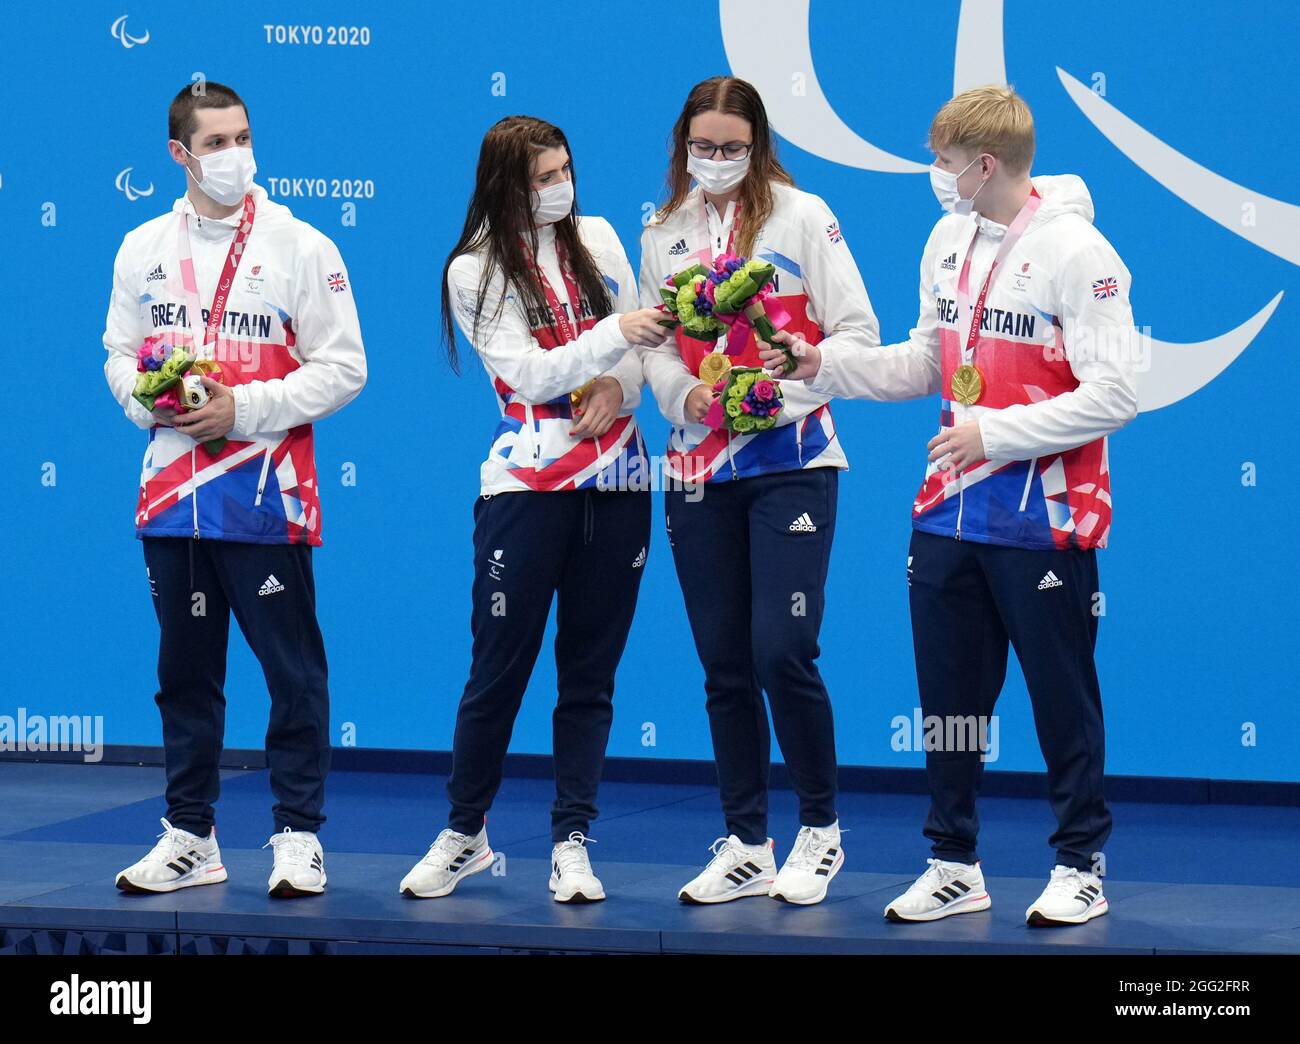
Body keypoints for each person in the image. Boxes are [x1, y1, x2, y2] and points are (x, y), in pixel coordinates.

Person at [760, 85, 1139, 926]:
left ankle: (1081, 864)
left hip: (1044, 520)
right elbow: (924, 365)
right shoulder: (946, 240)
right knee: (953, 708)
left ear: (985, 164)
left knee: (1060, 701)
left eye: (942, 161)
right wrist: (814, 364)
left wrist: (995, 435)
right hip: (947, 516)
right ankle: (954, 861)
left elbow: (1117, 395)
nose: (935, 175)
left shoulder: (1083, 256)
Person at [103, 83, 367, 897]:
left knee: (292, 673)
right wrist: (141, 396)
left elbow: (346, 368)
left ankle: (297, 835)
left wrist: (244, 406)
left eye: (242, 137)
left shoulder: (300, 244)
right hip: (171, 496)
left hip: (264, 491)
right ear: (179, 155)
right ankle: (191, 835)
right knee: (185, 674)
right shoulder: (141, 245)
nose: (234, 155)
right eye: (214, 143)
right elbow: (118, 352)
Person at [399, 116, 669, 904]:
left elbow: (649, 352)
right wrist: (612, 336)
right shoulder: (473, 270)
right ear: (503, 184)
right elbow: (530, 373)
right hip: (526, 484)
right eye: (542, 177)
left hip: (619, 481)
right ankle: (465, 833)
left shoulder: (604, 239)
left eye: (564, 171)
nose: (560, 188)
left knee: (590, 673)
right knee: (498, 669)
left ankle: (572, 842)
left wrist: (625, 382)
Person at [639, 76, 880, 906]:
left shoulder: (801, 215)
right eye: (701, 147)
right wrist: (689, 398)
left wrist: (778, 394)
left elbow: (857, 335)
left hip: (793, 461)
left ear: (758, 144)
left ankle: (820, 829)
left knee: (783, 649)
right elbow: (658, 350)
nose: (714, 161)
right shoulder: (663, 231)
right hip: (697, 471)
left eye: (730, 148)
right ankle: (747, 841)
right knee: (724, 663)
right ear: (682, 146)